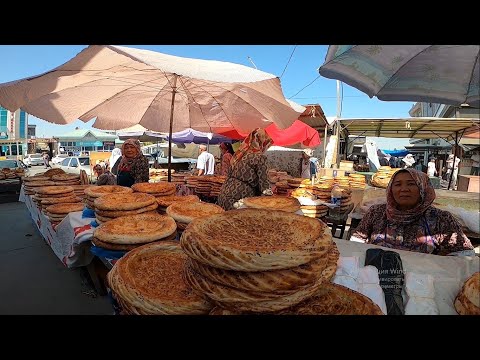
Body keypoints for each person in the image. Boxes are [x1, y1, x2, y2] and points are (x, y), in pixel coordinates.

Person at [350, 168, 474, 256]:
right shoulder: (376, 213)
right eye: (397, 184)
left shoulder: (441, 219)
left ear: (423, 188)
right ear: (390, 189)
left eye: (411, 184)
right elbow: (356, 242)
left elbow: (464, 255)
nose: (404, 189)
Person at [217, 128, 273, 211]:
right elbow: (265, 187)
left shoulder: (240, 153)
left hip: (223, 194)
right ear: (262, 143)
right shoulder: (259, 157)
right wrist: (271, 205)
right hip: (240, 199)